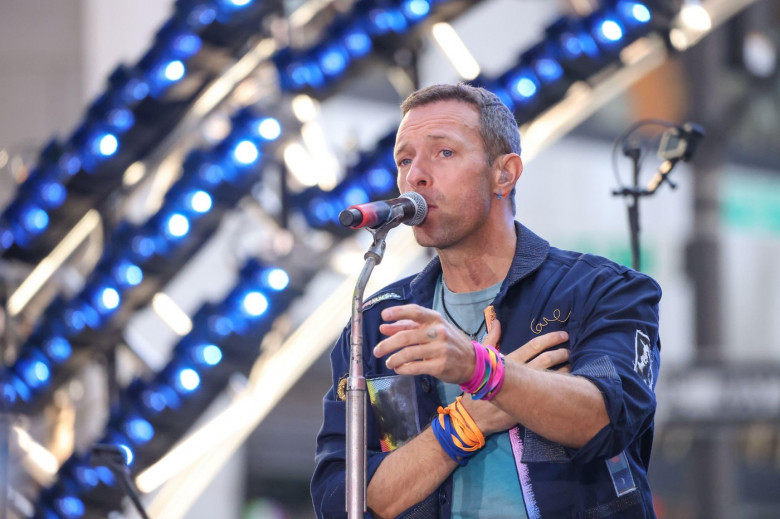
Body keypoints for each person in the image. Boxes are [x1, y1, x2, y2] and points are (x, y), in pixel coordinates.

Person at [311, 83, 662, 518]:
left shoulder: (603, 290)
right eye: (404, 159)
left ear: (505, 174)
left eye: (443, 153)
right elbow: (341, 499)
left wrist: (480, 368)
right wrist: (468, 420)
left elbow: (606, 419)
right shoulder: (376, 322)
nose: (415, 175)